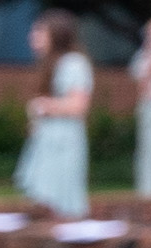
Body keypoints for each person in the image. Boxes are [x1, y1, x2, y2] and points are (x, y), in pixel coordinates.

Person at [21, 19, 101, 219]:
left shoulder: (73, 63)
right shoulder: (51, 63)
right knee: (44, 197)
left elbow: (79, 106)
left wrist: (43, 106)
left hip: (64, 140)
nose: (33, 37)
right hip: (49, 138)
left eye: (40, 32)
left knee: (61, 196)